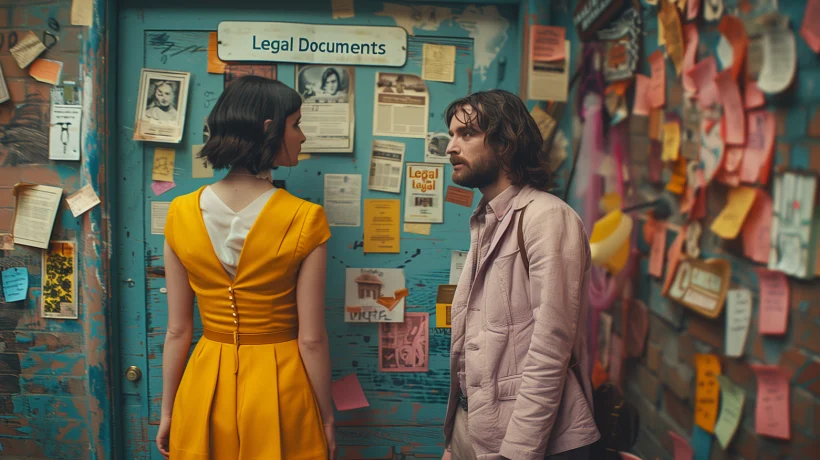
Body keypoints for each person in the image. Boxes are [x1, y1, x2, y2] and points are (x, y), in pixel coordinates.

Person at [156, 76, 337, 460]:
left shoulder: (179, 213)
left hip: (204, 386)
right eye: (297, 124)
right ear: (269, 129)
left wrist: (168, 410)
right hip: (281, 385)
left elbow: (177, 330)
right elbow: (312, 340)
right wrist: (327, 416)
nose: (302, 137)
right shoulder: (305, 218)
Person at [441, 90, 600, 460]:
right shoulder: (486, 219)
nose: (450, 147)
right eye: (451, 135)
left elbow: (549, 351)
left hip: (526, 442)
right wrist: (456, 443)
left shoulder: (546, 217)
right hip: (476, 432)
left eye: (466, 134)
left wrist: (517, 453)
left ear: (505, 143)